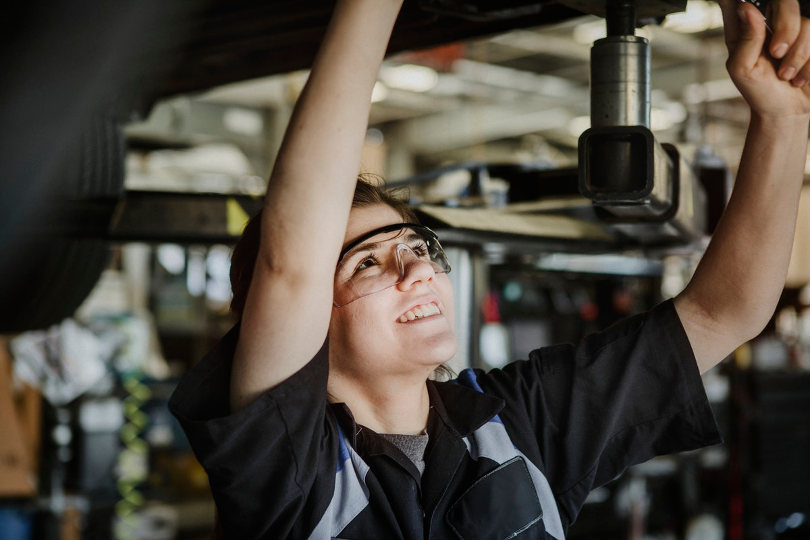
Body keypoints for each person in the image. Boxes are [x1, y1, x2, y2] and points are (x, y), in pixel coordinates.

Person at [169, 0, 810, 537]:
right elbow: (290, 265)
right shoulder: (291, 472)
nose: (415, 270)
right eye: (365, 262)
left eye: (417, 247)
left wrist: (782, 121)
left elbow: (724, 312)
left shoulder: (516, 422)